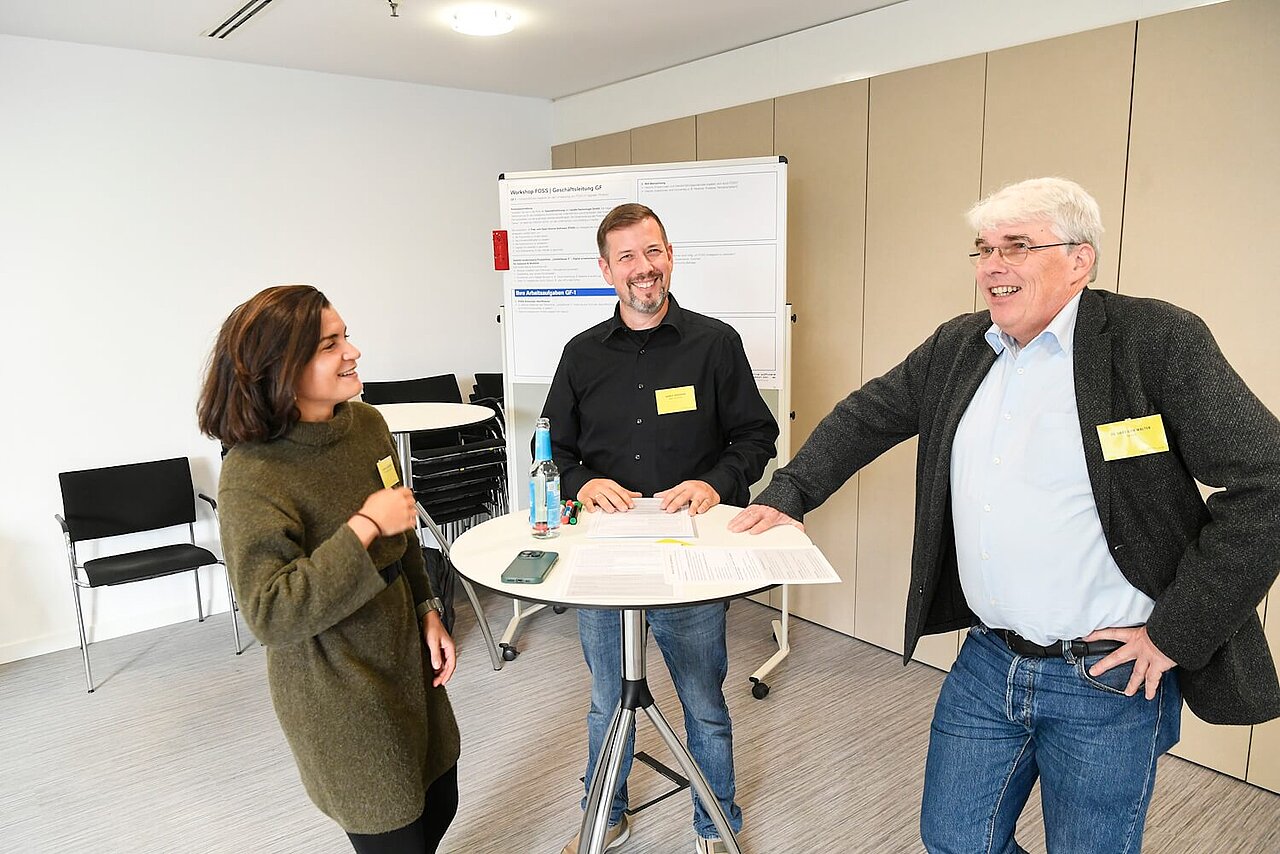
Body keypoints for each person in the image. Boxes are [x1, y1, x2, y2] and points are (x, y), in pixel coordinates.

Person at [730, 177, 1280, 853]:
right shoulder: (961, 346)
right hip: (989, 660)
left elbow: (1268, 482)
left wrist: (1175, 634)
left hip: (1106, 677)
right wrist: (792, 492)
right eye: (984, 248)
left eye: (1016, 246)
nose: (993, 265)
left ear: (1080, 260)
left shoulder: (1152, 340)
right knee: (954, 840)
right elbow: (866, 415)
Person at [544, 203, 779, 854]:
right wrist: (579, 482)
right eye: (626, 257)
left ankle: (715, 822)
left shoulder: (715, 343)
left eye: (652, 252)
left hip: (689, 551)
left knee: (703, 701)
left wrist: (715, 483)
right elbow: (552, 453)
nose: (643, 269)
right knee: (603, 702)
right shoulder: (581, 355)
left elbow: (758, 436)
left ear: (669, 255)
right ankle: (606, 813)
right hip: (607, 557)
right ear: (605, 269)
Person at [197, 285, 461, 854]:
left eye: (347, 335)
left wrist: (427, 608)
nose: (354, 352)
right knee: (392, 828)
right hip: (334, 679)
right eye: (330, 344)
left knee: (439, 801)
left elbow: (404, 527)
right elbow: (271, 611)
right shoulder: (251, 473)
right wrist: (364, 524)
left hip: (401, 648)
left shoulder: (365, 425)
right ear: (280, 369)